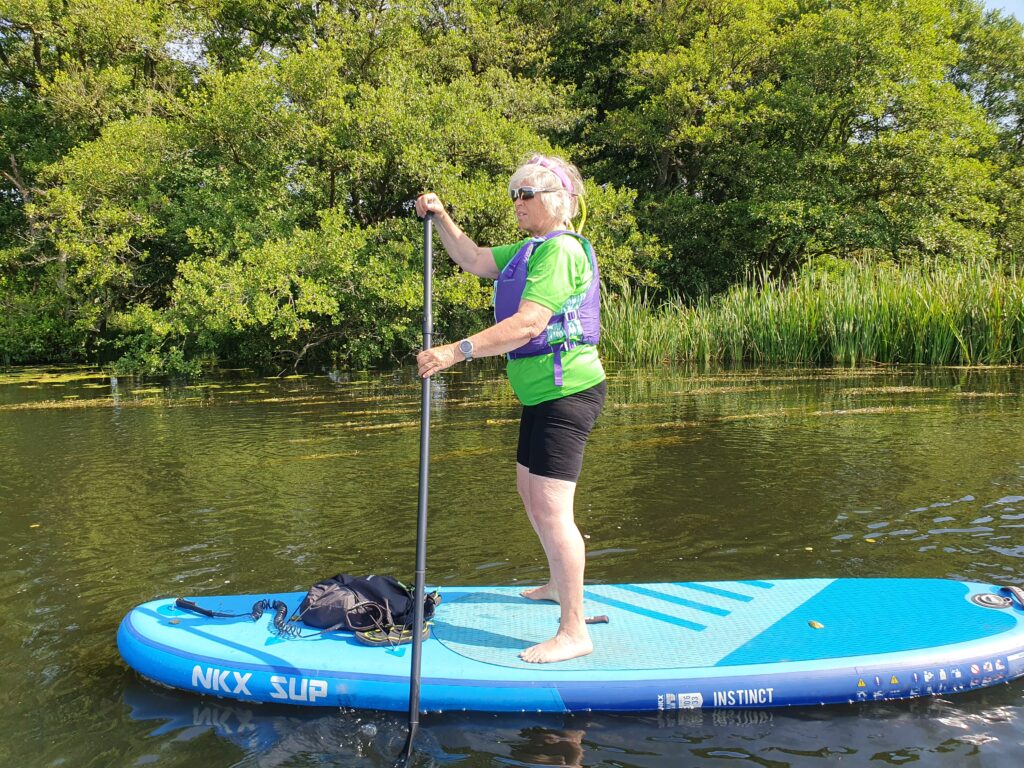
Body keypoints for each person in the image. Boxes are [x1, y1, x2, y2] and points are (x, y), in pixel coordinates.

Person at [415, 154, 606, 664]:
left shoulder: (560, 252)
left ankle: (573, 630)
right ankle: (555, 584)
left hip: (567, 394)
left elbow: (527, 325)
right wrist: (440, 218)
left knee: (551, 507)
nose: (516, 203)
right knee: (529, 492)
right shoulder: (530, 249)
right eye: (514, 194)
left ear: (555, 201)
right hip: (540, 395)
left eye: (526, 195)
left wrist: (453, 352)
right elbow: (474, 258)